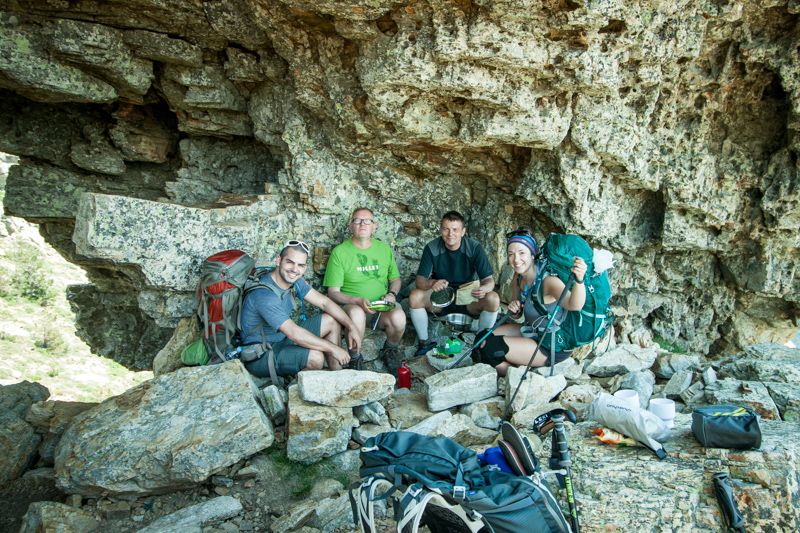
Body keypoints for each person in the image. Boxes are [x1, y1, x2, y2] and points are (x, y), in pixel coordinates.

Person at [238, 240, 362, 378]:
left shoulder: (295, 281)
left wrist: (351, 327)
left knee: (331, 320)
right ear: (279, 261)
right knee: (316, 358)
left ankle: (339, 377)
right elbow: (294, 333)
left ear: (304, 268)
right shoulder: (263, 295)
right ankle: (297, 389)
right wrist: (333, 349)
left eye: (300, 265)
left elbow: (325, 303)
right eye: (290, 262)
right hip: (261, 355)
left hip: (282, 340)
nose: (295, 269)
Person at [476, 228, 587, 376]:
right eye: (511, 254)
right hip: (531, 331)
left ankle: (518, 376)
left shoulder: (548, 282)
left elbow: (575, 305)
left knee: (491, 348)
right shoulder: (518, 277)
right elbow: (517, 313)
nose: (516, 259)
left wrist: (579, 280)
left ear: (533, 254)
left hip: (550, 344)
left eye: (522, 253)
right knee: (481, 338)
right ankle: (514, 361)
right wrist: (515, 309)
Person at [408, 211, 500, 356]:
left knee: (493, 298)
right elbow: (420, 280)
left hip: (468, 297)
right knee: (414, 296)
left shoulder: (474, 247)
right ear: (440, 229)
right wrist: (432, 283)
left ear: (463, 232)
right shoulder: (431, 247)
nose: (450, 234)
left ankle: (481, 343)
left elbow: (489, 280)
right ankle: (424, 342)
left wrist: (484, 289)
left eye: (455, 229)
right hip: (441, 297)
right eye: (446, 229)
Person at [323, 207, 406, 365]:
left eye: (367, 221)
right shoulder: (340, 252)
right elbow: (333, 292)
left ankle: (390, 349)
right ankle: (355, 358)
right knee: (357, 312)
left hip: (380, 308)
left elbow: (395, 279)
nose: (362, 224)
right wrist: (356, 300)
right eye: (357, 220)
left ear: (374, 226)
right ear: (350, 226)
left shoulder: (383, 249)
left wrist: (392, 294)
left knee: (399, 316)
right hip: (350, 308)